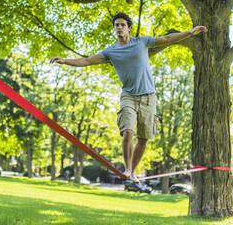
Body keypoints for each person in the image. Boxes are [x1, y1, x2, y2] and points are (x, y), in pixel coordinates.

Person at [50, 12, 207, 182]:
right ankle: (127, 168)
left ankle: (133, 172)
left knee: (144, 138)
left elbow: (168, 39)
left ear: (129, 28)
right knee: (128, 131)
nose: (119, 28)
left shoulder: (142, 42)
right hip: (128, 96)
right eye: (116, 25)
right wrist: (64, 60)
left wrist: (190, 32)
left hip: (148, 97)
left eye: (122, 25)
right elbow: (87, 61)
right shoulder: (111, 51)